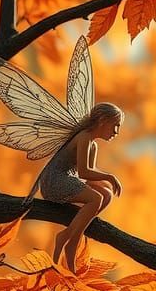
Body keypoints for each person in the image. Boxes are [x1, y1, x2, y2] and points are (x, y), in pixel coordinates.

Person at [40, 102, 124, 269]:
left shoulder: (93, 144)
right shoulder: (84, 136)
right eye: (115, 126)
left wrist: (107, 183)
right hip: (54, 181)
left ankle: (71, 235)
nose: (116, 132)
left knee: (105, 195)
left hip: (67, 180)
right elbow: (84, 173)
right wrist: (109, 177)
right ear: (102, 121)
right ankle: (69, 240)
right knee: (96, 198)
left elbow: (89, 179)